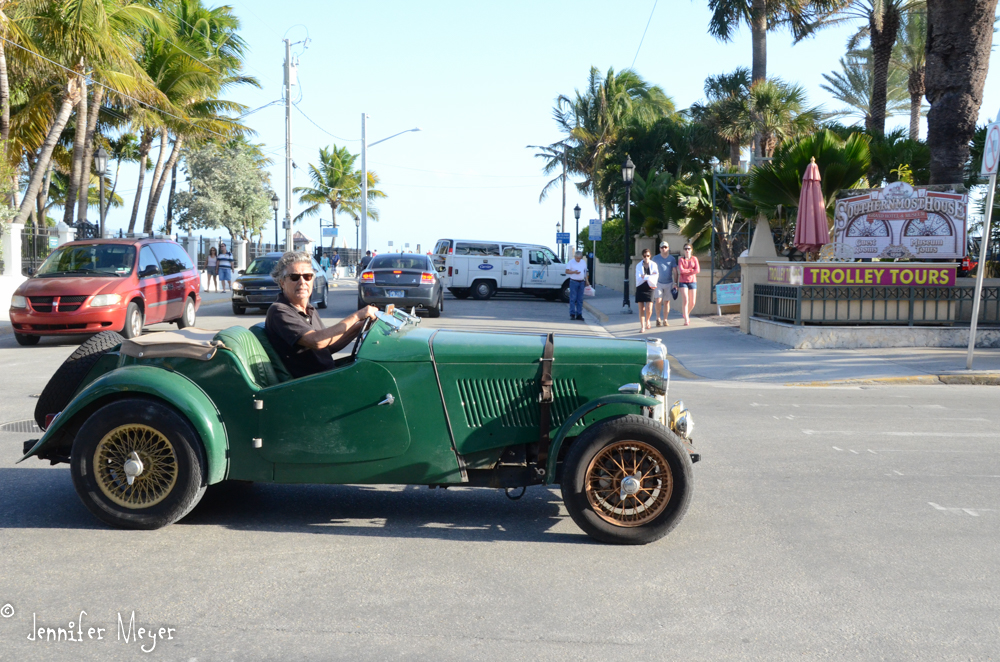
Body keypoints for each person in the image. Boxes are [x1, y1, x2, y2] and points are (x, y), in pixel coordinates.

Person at [265, 251, 378, 378]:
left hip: (327, 376)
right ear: (282, 283)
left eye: (307, 276)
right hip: (309, 385)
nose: (302, 282)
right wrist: (357, 316)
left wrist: (361, 326)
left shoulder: (309, 309)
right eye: (294, 277)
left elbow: (327, 346)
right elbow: (317, 341)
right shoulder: (279, 311)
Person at [651, 241, 678, 327]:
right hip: (658, 282)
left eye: (665, 247)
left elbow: (675, 271)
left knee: (666, 302)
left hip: (669, 283)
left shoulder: (672, 259)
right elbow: (651, 270)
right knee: (658, 300)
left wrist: (675, 283)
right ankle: (658, 318)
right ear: (659, 249)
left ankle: (665, 319)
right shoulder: (655, 258)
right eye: (662, 247)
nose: (664, 249)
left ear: (668, 248)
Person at [634, 248, 658, 332]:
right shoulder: (638, 266)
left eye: (648, 256)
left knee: (649, 308)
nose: (646, 257)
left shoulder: (654, 265)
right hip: (640, 287)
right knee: (641, 308)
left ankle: (648, 319)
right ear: (642, 256)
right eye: (644, 256)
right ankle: (642, 326)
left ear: (650, 256)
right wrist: (648, 277)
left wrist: (646, 277)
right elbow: (638, 277)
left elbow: (655, 276)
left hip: (650, 287)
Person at [677, 243, 701, 326]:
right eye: (685, 249)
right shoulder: (681, 259)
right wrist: (691, 270)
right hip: (683, 282)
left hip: (693, 281)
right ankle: (686, 319)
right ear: (683, 250)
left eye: (689, 249)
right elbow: (681, 271)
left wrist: (687, 271)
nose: (687, 250)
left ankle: (685, 313)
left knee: (692, 302)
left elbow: (697, 270)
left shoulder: (694, 259)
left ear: (691, 250)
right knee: (686, 300)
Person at [565, 249, 589, 321]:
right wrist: (574, 272)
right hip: (573, 281)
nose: (578, 259)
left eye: (579, 258)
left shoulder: (583, 262)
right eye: (577, 258)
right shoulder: (571, 262)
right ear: (575, 257)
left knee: (580, 299)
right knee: (573, 298)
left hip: (581, 282)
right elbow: (566, 271)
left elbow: (585, 271)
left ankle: (579, 314)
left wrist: (587, 280)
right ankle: (572, 314)